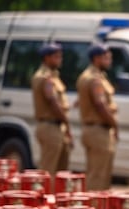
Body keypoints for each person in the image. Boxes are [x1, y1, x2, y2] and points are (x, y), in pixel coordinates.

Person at [77, 44, 118, 191]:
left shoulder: (88, 76)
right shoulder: (94, 79)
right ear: (96, 58)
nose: (109, 61)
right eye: (106, 58)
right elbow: (100, 104)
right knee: (98, 177)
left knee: (96, 174)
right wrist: (114, 124)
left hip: (91, 129)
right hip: (98, 130)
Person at [31, 42, 72, 174]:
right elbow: (53, 102)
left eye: (60, 56)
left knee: (59, 171)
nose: (60, 59)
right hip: (50, 126)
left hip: (55, 126)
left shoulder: (53, 76)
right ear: (46, 58)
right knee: (48, 171)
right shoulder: (45, 77)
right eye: (56, 57)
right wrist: (66, 123)